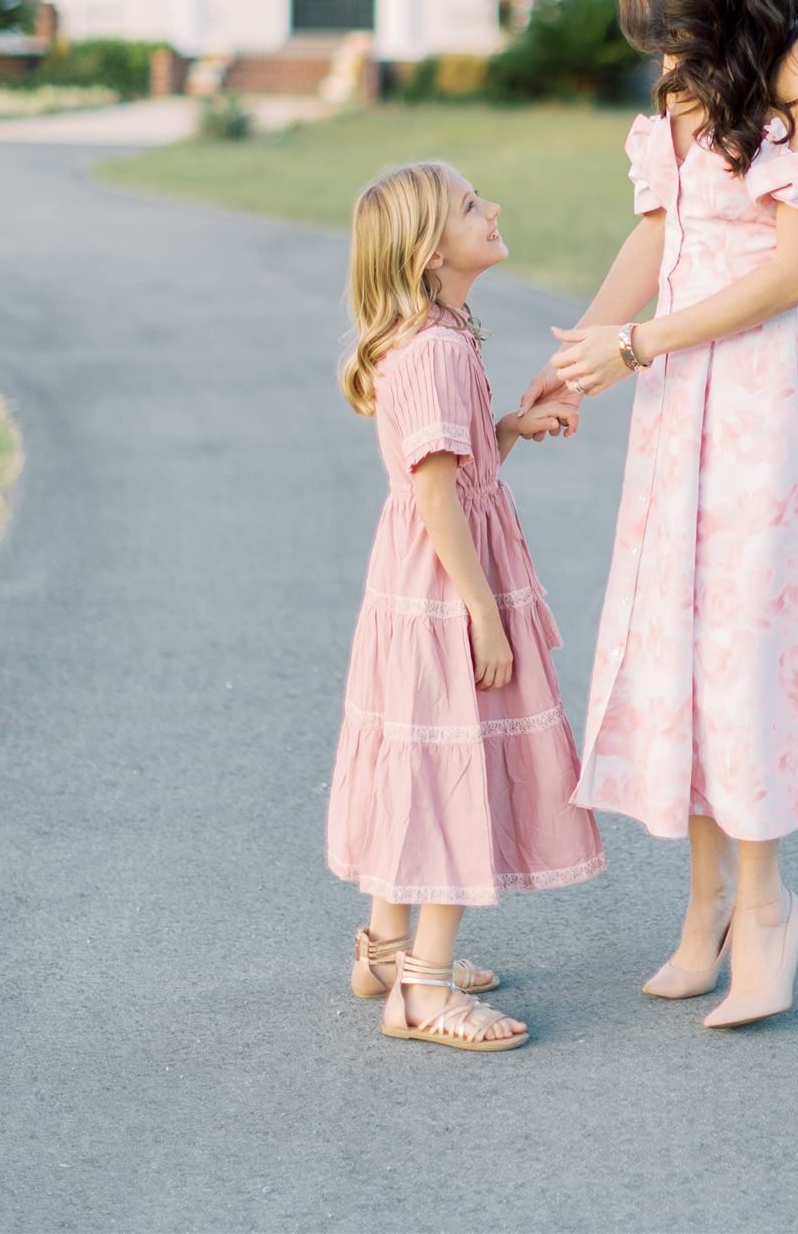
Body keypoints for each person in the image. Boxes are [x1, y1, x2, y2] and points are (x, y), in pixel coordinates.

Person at [522, 0, 798, 1031]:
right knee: (676, 638)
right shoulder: (682, 71)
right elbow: (663, 232)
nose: (649, 10)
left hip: (770, 392)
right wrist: (586, 343)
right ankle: (702, 912)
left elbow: (793, 270)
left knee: (746, 643)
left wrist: (637, 346)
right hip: (681, 378)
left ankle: (770, 907)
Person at [327, 161, 605, 1052]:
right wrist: (484, 613)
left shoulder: (430, 335)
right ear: (427, 247)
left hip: (416, 580)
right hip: (449, 592)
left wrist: (508, 431)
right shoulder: (440, 347)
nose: (492, 209)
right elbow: (437, 494)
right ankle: (423, 990)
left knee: (420, 758)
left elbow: (452, 469)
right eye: (469, 205)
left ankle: (384, 947)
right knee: (456, 770)